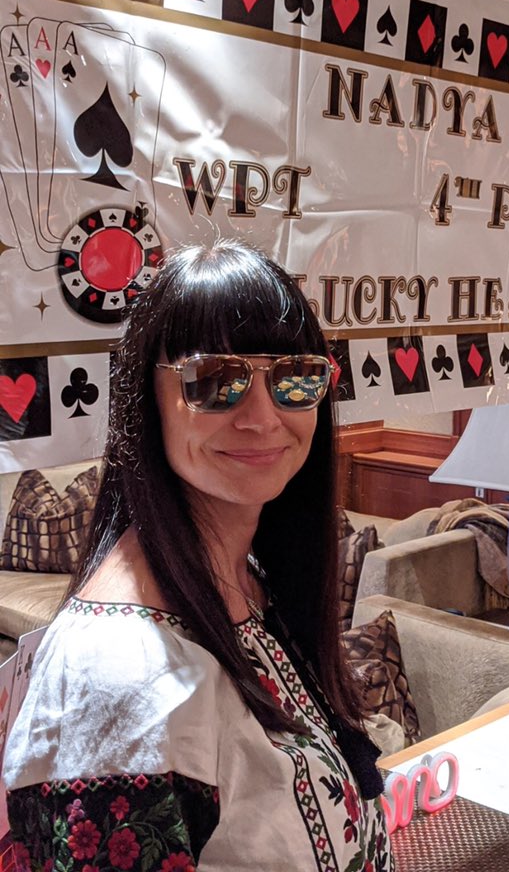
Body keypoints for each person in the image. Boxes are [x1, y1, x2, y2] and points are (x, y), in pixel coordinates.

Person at [3, 241, 393, 872]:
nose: (263, 417)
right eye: (215, 381)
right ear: (144, 399)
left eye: (295, 378)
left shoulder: (252, 578)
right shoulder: (119, 675)